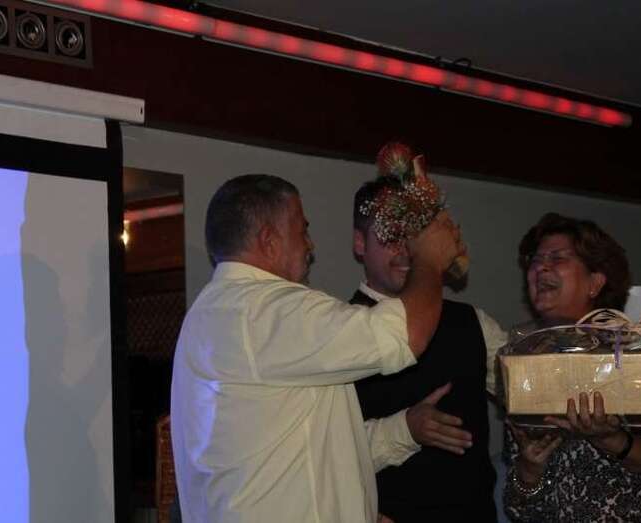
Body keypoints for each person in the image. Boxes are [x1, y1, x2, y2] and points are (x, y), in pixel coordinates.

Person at [170, 174, 463, 523]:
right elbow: (404, 334)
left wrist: (403, 431)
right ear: (269, 241)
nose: (311, 245)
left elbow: (306, 445)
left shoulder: (210, 314)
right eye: (302, 230)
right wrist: (428, 259)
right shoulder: (266, 309)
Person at [503, 212, 641, 522]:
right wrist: (529, 470)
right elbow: (520, 510)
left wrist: (609, 438)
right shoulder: (525, 367)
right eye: (536, 260)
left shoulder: (634, 353)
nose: (541, 267)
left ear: (595, 282)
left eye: (557, 257)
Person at [351, 176, 508, 522]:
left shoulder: (472, 322)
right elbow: (324, 452)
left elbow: (531, 394)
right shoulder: (337, 330)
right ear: (360, 243)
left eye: (416, 235)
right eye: (391, 236)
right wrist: (405, 428)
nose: (407, 250)